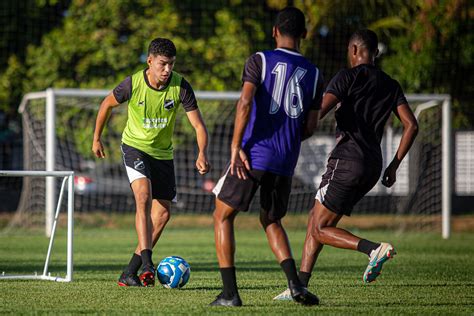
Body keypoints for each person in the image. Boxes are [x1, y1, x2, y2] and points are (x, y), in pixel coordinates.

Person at [274, 29, 419, 300]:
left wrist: (288, 131)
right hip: (374, 165)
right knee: (316, 221)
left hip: (346, 161)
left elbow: (318, 112)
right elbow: (412, 125)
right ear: (374, 52)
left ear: (353, 50)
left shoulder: (346, 77)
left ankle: (372, 249)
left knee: (320, 228)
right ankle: (299, 286)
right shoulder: (391, 84)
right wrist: (394, 165)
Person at [210, 7, 324, 307]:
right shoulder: (314, 73)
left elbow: (245, 101)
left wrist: (236, 147)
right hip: (286, 160)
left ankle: (230, 294)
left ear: (274, 31)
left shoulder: (260, 60)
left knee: (222, 215)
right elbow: (311, 126)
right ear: (304, 35)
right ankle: (296, 285)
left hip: (253, 155)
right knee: (271, 219)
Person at [92, 38, 210, 287]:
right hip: (134, 147)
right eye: (163, 64)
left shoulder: (180, 86)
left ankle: (129, 272)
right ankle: (147, 262)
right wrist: (96, 138)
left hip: (163, 154)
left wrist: (202, 152)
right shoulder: (133, 84)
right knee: (143, 197)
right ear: (150, 61)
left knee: (163, 213)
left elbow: (198, 125)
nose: (167, 70)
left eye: (171, 65)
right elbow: (106, 104)